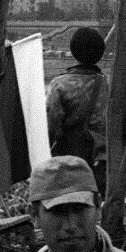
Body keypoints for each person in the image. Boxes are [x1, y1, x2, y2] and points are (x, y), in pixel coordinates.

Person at [45, 27, 109, 194]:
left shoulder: (60, 85)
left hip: (70, 165)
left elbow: (51, 130)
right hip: (103, 166)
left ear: (73, 51)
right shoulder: (109, 85)